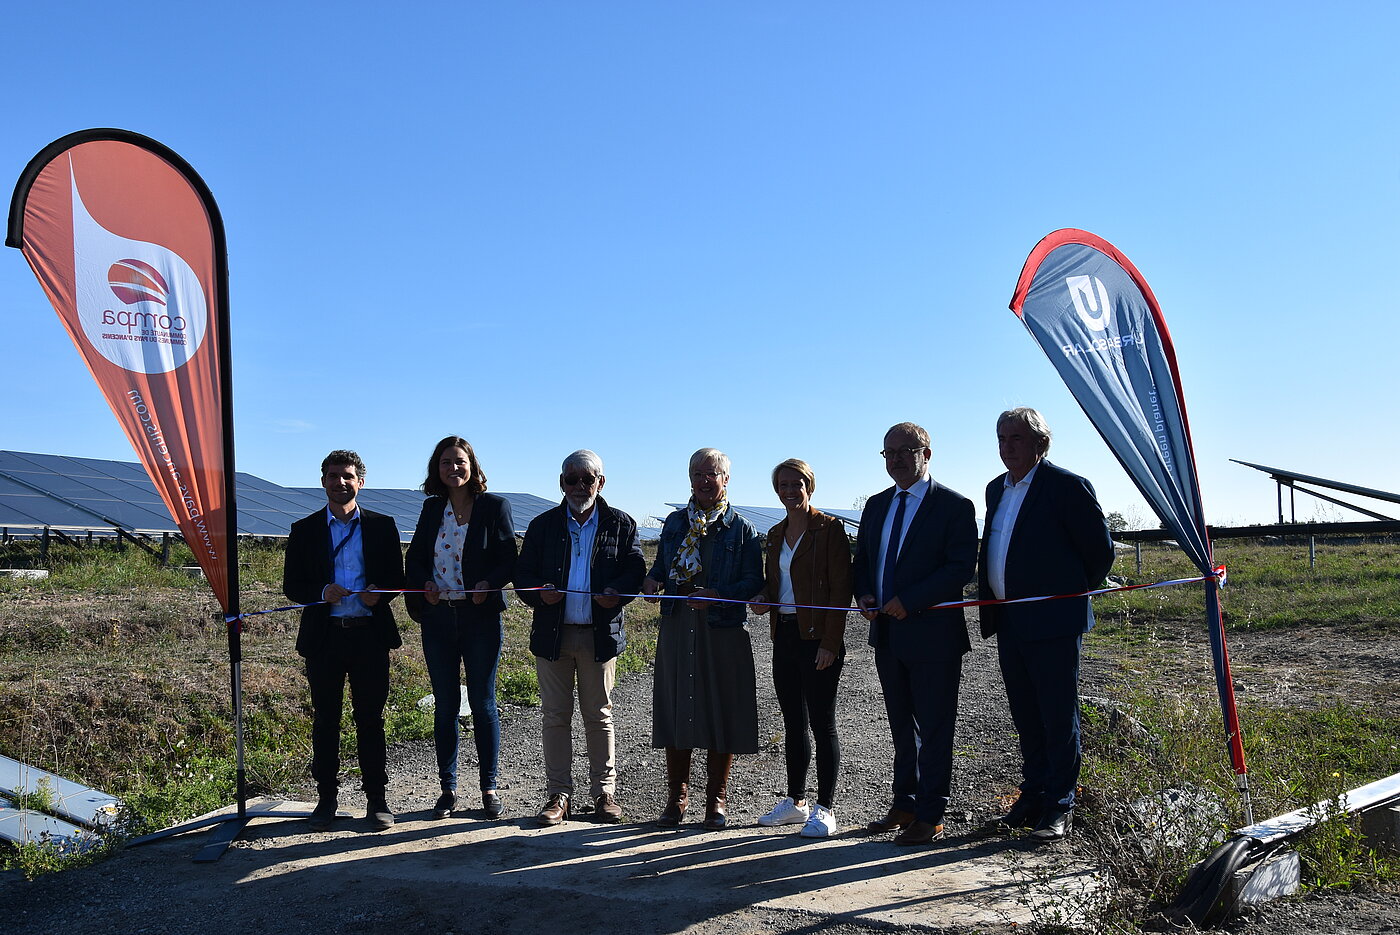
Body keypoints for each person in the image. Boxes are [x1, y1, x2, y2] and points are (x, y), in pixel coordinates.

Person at [978, 408, 1114, 841]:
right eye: (1001, 438)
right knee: (1025, 714)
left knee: (1057, 714)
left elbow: (1100, 554)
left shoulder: (1067, 487)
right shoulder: (995, 490)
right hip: (1010, 619)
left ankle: (1059, 805)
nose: (1006, 446)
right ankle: (1032, 796)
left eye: (1015, 438)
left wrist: (1065, 595)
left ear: (1040, 442)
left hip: (1053, 622)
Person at [854, 422, 977, 845]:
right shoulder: (875, 506)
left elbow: (960, 567)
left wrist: (913, 598)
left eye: (907, 450)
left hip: (934, 636)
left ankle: (931, 813)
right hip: (887, 636)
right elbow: (864, 560)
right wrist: (865, 593)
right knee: (900, 727)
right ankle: (904, 803)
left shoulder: (954, 506)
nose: (897, 458)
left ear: (927, 452)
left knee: (935, 727)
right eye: (889, 452)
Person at [516, 450, 646, 825]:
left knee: (599, 716)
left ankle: (604, 793)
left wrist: (616, 592)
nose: (578, 486)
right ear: (561, 483)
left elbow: (635, 568)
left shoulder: (621, 524)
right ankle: (558, 794)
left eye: (586, 479)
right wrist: (538, 593)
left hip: (599, 636)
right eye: (571, 479)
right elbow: (521, 572)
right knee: (555, 716)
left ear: (600, 483)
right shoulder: (542, 526)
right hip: (552, 636)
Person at [283, 450, 406, 832]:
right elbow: (292, 586)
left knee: (371, 719)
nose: (341, 482)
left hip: (369, 636)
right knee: (326, 720)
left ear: (361, 482)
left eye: (348, 475)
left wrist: (379, 594)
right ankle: (326, 799)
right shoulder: (303, 530)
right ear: (323, 481)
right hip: (325, 639)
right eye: (334, 475)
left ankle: (377, 800)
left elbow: (395, 579)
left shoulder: (383, 526)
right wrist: (321, 591)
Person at [642, 447, 763, 830]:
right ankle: (676, 799)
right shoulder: (676, 523)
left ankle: (716, 800)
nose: (703, 481)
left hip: (721, 630)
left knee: (720, 710)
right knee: (679, 706)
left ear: (726, 479)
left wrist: (718, 594)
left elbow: (753, 582)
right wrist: (652, 579)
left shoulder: (741, 529)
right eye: (697, 474)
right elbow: (662, 565)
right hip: (678, 627)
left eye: (711, 474)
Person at [405, 435, 517, 819]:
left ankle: (489, 787)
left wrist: (489, 582)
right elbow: (416, 558)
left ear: (473, 465)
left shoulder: (494, 507)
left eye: (460, 461)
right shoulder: (431, 509)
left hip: (480, 617)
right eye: (445, 462)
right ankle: (448, 788)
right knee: (446, 704)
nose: (453, 468)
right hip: (438, 618)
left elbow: (508, 559)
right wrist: (425, 584)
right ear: (437, 470)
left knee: (484, 703)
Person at [749, 458, 852, 838]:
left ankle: (825, 808)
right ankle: (796, 802)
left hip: (818, 639)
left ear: (810, 486)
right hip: (786, 636)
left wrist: (830, 643)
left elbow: (841, 591)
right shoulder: (775, 534)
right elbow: (773, 584)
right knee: (793, 723)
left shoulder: (830, 529)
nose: (790, 491)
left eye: (797, 484)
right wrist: (762, 597)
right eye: (783, 485)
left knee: (822, 724)